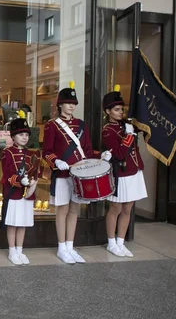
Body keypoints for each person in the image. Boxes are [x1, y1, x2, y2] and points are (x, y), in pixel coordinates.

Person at [42, 81, 110, 264]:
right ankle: (61, 247)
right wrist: (56, 161)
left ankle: (70, 246)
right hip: (63, 174)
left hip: (79, 175)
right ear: (60, 104)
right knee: (62, 210)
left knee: (74, 210)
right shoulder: (52, 125)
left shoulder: (81, 125)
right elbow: (46, 151)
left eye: (74, 103)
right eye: (68, 103)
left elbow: (87, 151)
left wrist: (100, 155)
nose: (72, 106)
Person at [102, 85, 147, 258]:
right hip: (120, 173)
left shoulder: (128, 125)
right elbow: (119, 155)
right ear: (108, 111)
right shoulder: (108, 131)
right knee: (116, 208)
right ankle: (111, 243)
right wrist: (128, 137)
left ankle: (121, 242)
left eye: (122, 109)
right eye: (117, 109)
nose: (121, 112)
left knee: (128, 209)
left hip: (134, 171)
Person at [1, 110, 40, 265]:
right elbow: (7, 173)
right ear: (13, 136)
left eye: (26, 134)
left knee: (22, 222)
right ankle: (12, 250)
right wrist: (19, 180)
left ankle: (20, 249)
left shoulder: (32, 153)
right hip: (14, 192)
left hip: (27, 193)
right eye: (21, 134)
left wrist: (32, 183)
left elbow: (36, 171)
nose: (24, 137)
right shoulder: (7, 153)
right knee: (13, 223)